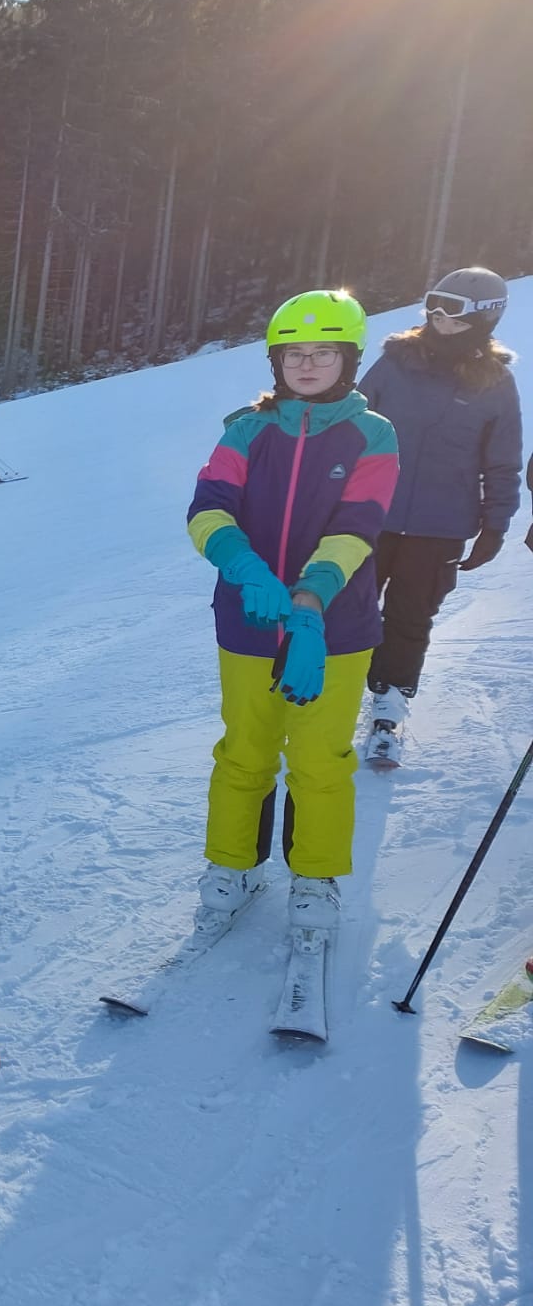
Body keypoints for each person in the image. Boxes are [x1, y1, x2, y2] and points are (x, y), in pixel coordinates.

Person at [184, 289, 397, 943]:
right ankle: (233, 866)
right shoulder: (246, 430)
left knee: (320, 759)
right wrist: (245, 568)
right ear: (276, 361)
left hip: (335, 628)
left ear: (348, 360)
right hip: (248, 620)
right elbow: (208, 509)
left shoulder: (372, 434)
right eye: (294, 353)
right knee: (243, 752)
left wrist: (309, 600)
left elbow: (358, 526)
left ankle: (315, 876)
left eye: (322, 353)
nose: (307, 364)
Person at [354, 267, 518, 751]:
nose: (440, 320)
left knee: (410, 617)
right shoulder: (394, 363)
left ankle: (389, 707)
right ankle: (325, 697)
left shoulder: (495, 384)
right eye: (435, 309)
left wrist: (494, 527)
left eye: (455, 314)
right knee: (347, 608)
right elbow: (349, 426)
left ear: (484, 319)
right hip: (369, 515)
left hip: (440, 526)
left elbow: (502, 462)